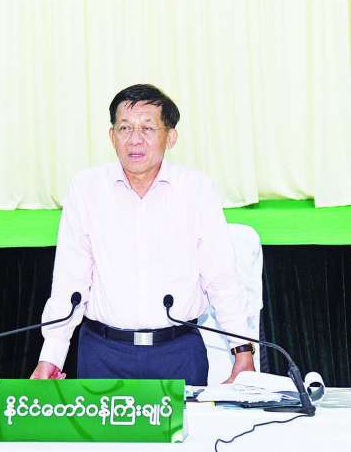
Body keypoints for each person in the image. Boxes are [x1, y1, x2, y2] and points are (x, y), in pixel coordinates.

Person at [31, 84, 255, 387]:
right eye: (125, 128)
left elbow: (221, 279)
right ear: (112, 136)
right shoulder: (87, 190)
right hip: (103, 355)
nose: (135, 139)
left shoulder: (196, 190)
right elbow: (70, 283)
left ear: (170, 137)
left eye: (147, 128)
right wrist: (51, 357)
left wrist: (242, 352)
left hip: (178, 354)